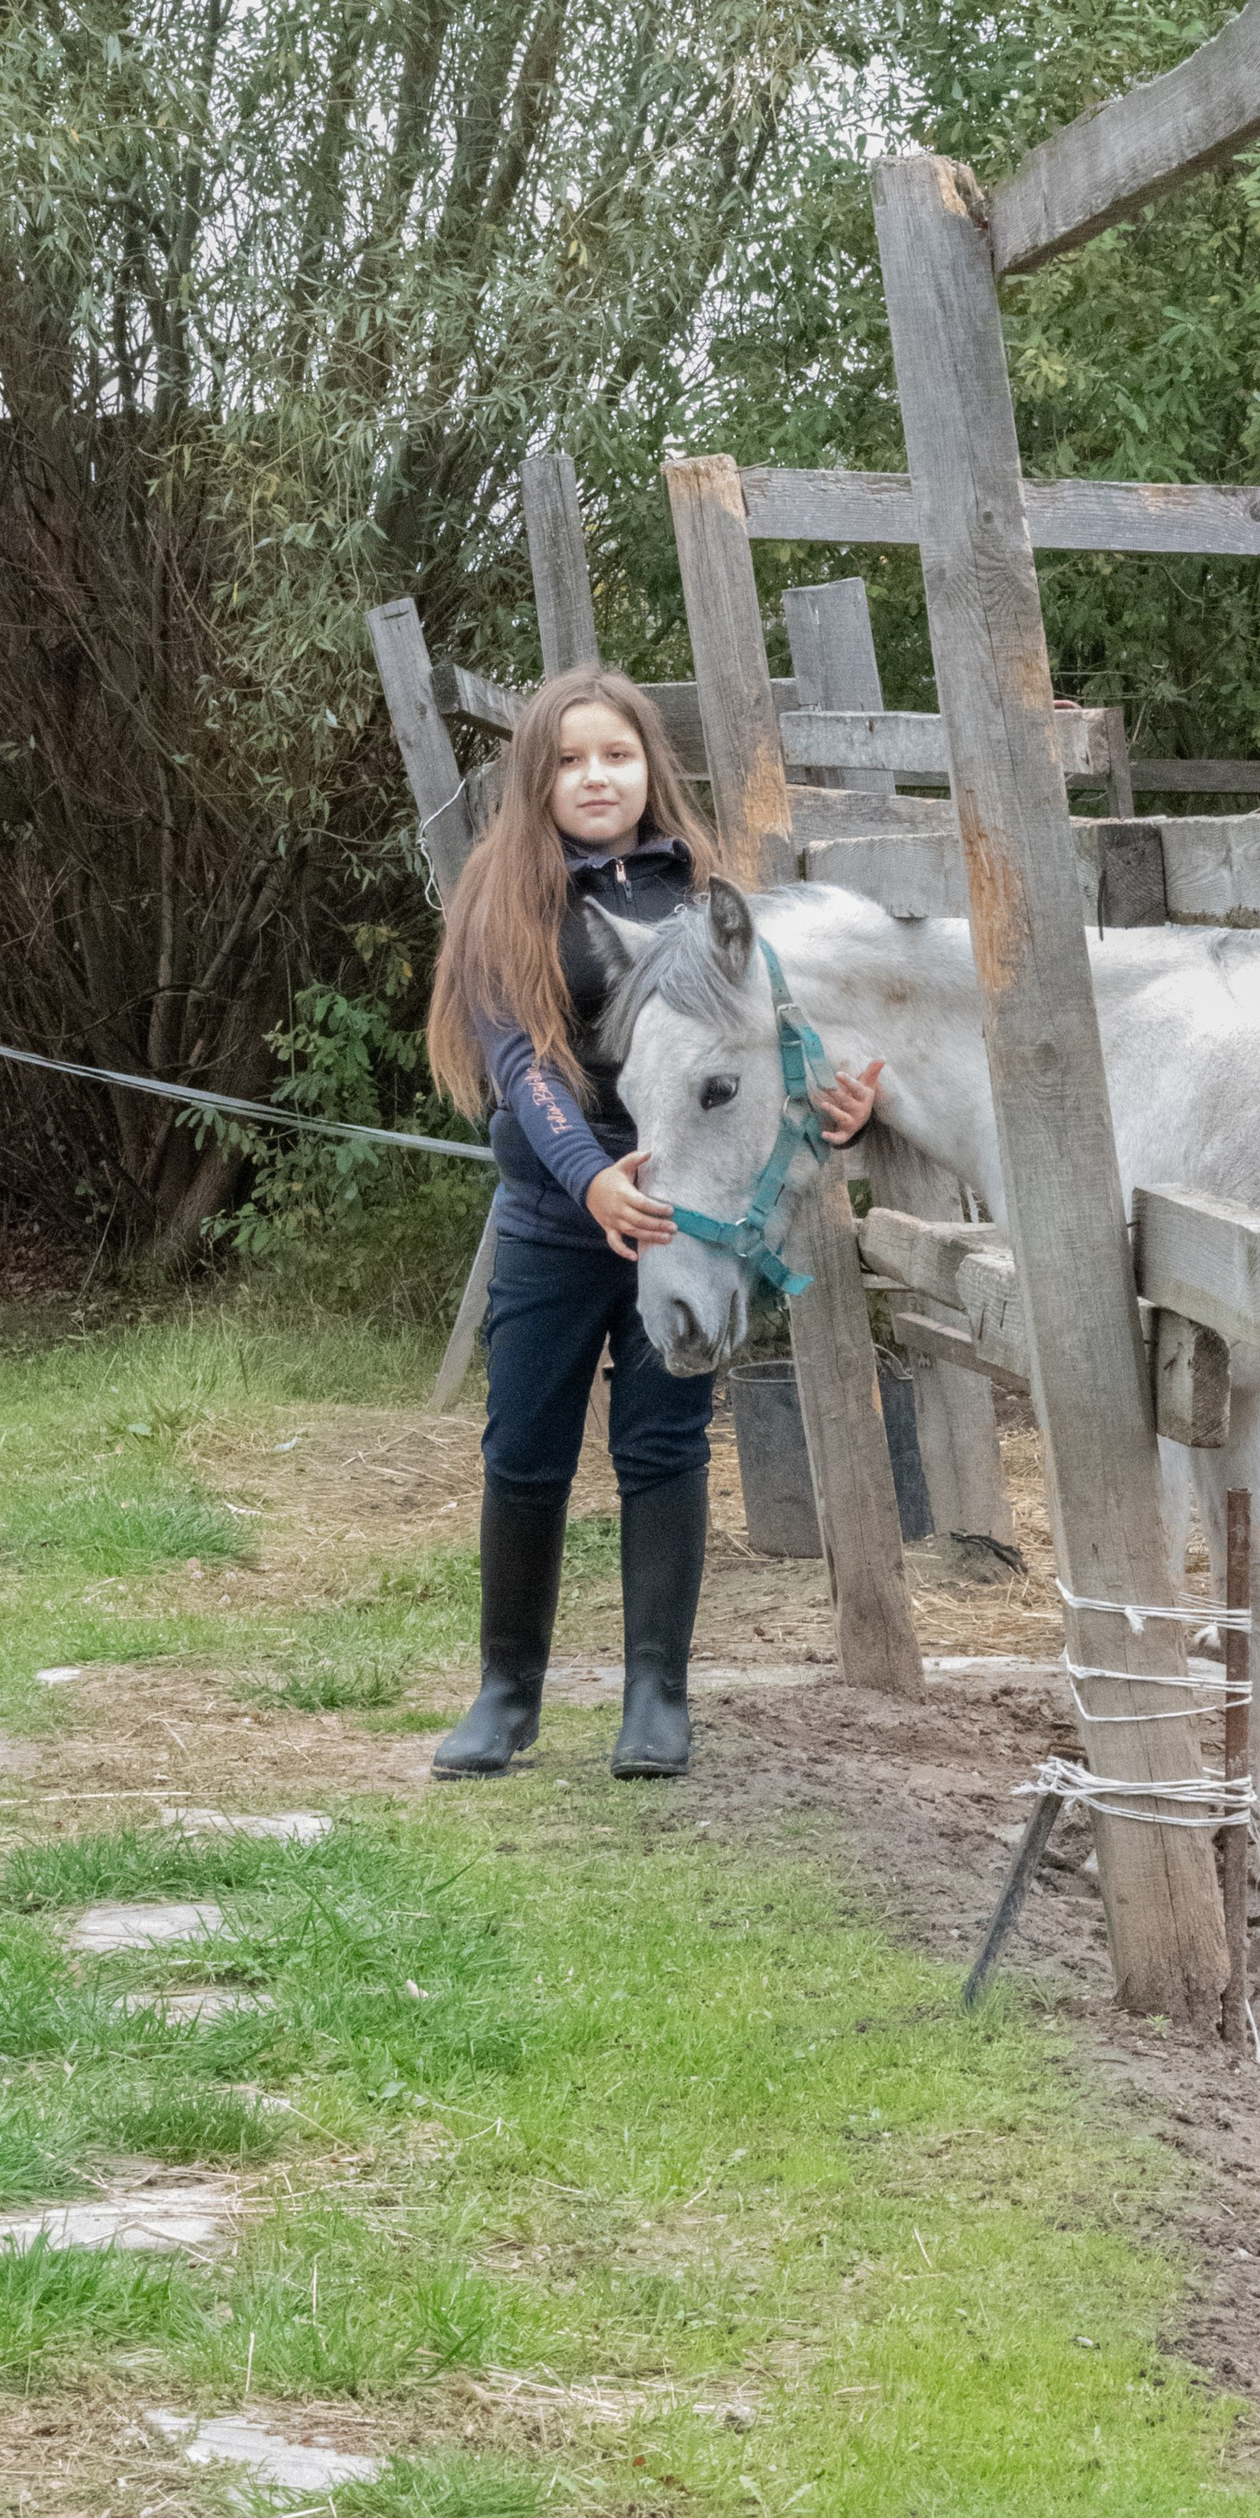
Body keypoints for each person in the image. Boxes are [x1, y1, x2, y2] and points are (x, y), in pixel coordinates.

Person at [424, 664, 878, 1780]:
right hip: (553, 1223)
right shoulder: (503, 901)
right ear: (535, 777)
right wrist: (588, 1181)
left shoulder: (713, 905)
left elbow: (769, 1063)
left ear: (649, 769)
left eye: (615, 755)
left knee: (663, 1447)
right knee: (524, 1454)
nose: (594, 776)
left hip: (685, 1231)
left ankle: (656, 1697)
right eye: (570, 759)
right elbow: (521, 1068)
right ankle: (505, 1693)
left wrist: (840, 1120)